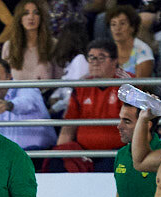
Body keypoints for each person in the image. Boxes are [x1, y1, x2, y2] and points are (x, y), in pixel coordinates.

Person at [54, 39, 126, 171]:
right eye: (92, 58)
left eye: (101, 58)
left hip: (117, 152)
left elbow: (133, 125)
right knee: (56, 162)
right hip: (84, 152)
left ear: (115, 61)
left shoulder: (127, 84)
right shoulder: (82, 86)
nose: (95, 63)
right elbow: (68, 127)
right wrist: (61, 153)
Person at [0, 57, 55, 150]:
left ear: (9, 77)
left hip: (37, 154)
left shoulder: (27, 88)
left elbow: (27, 103)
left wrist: (9, 105)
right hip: (7, 156)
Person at [0, 0, 58, 81]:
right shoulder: (9, 46)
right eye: (26, 13)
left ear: (41, 18)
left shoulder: (53, 44)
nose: (31, 17)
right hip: (17, 93)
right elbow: (4, 81)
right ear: (20, 18)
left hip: (47, 93)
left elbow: (60, 81)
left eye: (36, 13)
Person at [106, 6, 152, 78]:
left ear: (132, 27)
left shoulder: (143, 50)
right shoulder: (107, 49)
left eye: (122, 23)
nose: (117, 28)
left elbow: (140, 84)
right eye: (113, 24)